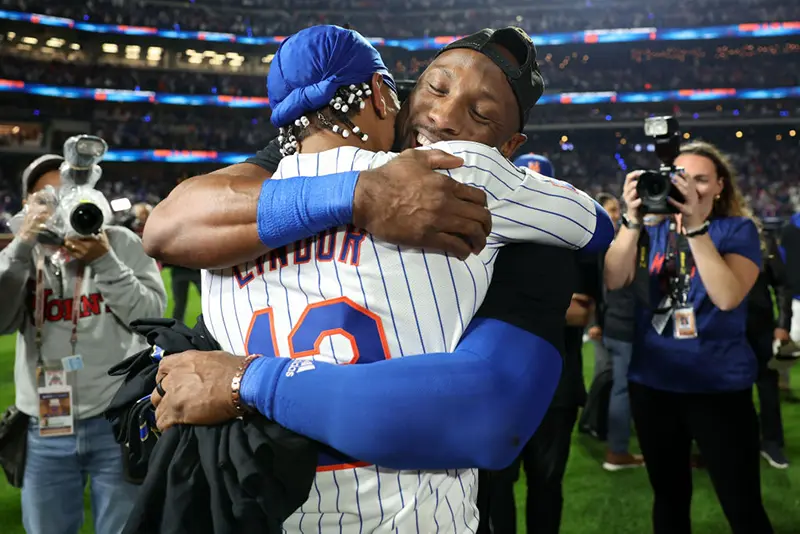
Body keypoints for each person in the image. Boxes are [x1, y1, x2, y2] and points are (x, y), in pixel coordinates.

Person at [146, 25, 612, 532]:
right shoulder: (321, 171)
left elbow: (489, 415)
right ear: (396, 94)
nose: (444, 117)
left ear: (510, 145)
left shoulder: (508, 217)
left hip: (264, 499)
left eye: (481, 116)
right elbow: (170, 226)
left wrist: (247, 380)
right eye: (434, 89)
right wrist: (362, 194)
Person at [604, 140, 773, 534]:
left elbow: (727, 296)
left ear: (719, 186)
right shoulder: (650, 229)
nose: (691, 187)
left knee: (741, 501)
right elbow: (614, 280)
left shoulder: (737, 230)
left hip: (717, 387)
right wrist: (631, 218)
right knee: (669, 499)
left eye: (702, 179)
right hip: (654, 383)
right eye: (681, 178)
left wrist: (695, 227)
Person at [0, 154, 167, 534]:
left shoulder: (121, 243)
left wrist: (105, 261)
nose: (58, 202)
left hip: (115, 421)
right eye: (44, 196)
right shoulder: (23, 256)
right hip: (45, 425)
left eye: (67, 192)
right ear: (26, 204)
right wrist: (21, 247)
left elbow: (151, 316)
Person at [476, 158, 597, 534]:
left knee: (547, 485)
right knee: (495, 489)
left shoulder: (573, 240)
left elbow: (581, 313)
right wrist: (542, 306)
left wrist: (506, 308)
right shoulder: (488, 236)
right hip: (497, 387)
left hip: (555, 387)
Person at [747, 227, 792, 468]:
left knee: (767, 386)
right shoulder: (710, 233)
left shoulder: (761, 237)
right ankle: (741, 440)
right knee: (728, 390)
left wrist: (782, 325)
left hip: (760, 326)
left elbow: (783, 285)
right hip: (722, 329)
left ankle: (772, 442)